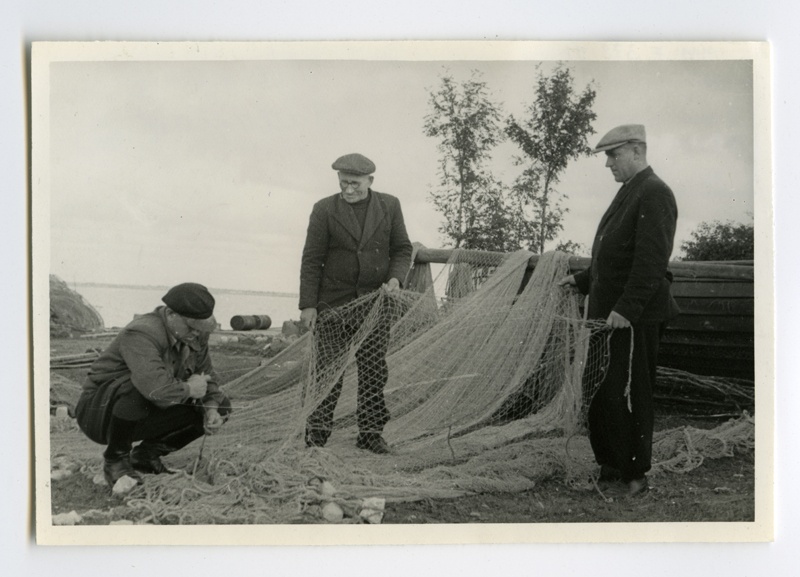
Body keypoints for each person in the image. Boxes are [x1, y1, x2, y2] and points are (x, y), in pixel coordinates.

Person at [559, 125, 679, 497]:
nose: (607, 164)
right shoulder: (630, 191)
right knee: (602, 391)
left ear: (636, 151)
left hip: (633, 317)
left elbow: (650, 262)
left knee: (630, 394)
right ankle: (611, 464)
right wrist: (580, 281)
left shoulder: (655, 192)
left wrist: (626, 309)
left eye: (613, 155)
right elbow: (614, 257)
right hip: (608, 315)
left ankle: (635, 475)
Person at [299, 153, 413, 454]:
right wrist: (308, 305)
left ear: (370, 181)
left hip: (376, 305)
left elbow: (402, 249)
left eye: (355, 184)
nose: (348, 190)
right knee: (327, 374)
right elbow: (312, 259)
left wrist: (396, 279)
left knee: (374, 371)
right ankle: (316, 437)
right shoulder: (323, 209)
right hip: (332, 306)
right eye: (343, 183)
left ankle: (371, 434)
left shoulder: (390, 206)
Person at [75, 282, 231, 487]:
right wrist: (190, 389)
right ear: (170, 314)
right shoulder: (142, 333)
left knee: (222, 405)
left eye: (200, 328)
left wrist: (210, 409)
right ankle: (115, 460)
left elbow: (208, 377)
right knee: (138, 387)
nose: (196, 334)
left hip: (145, 408)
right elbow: (153, 388)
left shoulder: (196, 334)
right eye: (191, 327)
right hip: (99, 414)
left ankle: (145, 456)